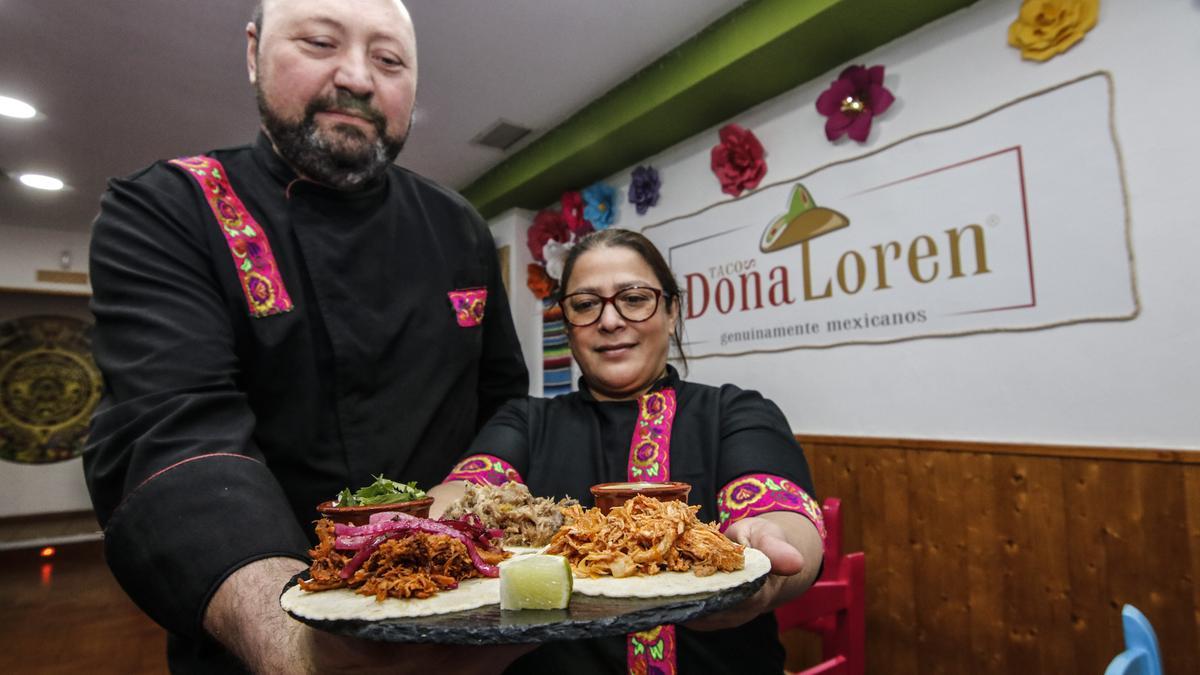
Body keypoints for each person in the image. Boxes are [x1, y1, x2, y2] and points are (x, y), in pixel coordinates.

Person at [83, 0, 529, 672]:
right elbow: (170, 431)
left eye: (389, 59)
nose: (356, 76)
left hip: (460, 613)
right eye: (320, 42)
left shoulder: (457, 223)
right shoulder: (168, 208)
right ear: (252, 52)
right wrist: (292, 633)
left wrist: (470, 486)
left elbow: (506, 402)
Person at [430, 228, 826, 674]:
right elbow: (465, 490)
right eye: (584, 304)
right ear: (568, 325)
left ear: (672, 310)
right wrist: (421, 527)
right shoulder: (524, 420)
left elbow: (783, 515)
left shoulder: (734, 411)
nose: (610, 320)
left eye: (634, 298)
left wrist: (764, 555)